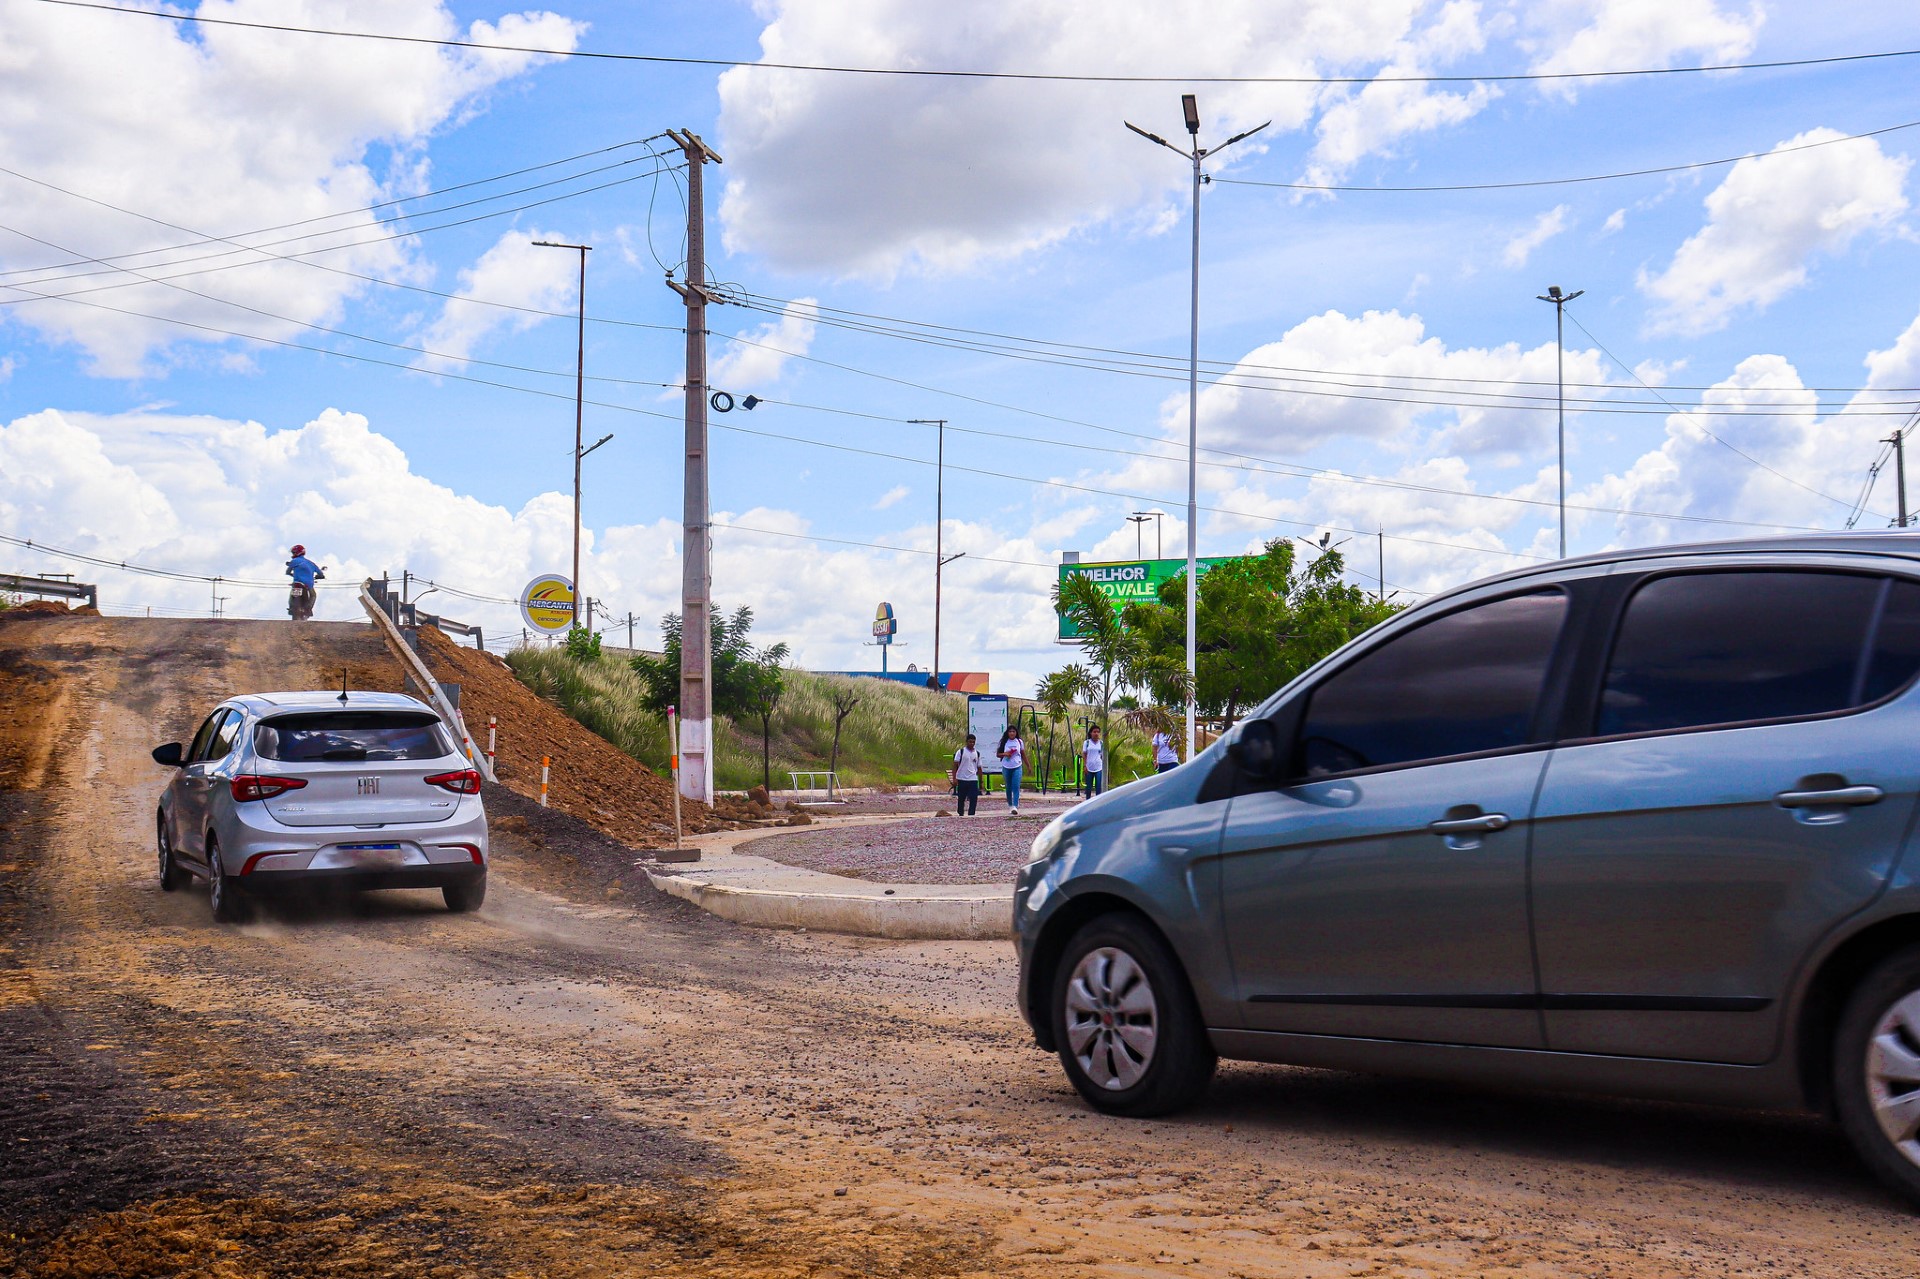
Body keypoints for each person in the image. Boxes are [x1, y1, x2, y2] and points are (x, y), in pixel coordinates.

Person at [285, 545, 322, 621]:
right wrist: (319, 576)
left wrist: (292, 574)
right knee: (313, 595)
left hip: (297, 583)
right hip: (308, 585)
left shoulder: (294, 561)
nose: (293, 554)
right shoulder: (311, 563)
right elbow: (320, 574)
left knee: (291, 597)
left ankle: (291, 608)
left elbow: (288, 572)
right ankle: (308, 609)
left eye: (294, 552)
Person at [949, 733, 983, 816]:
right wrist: (955, 778)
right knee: (961, 798)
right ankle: (960, 812)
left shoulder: (977, 754)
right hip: (962, 778)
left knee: (973, 797)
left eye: (973, 742)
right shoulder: (961, 752)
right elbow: (955, 765)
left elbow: (979, 768)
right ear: (966, 742)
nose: (971, 744)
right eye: (970, 742)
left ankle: (971, 814)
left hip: (973, 778)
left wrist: (981, 781)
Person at [997, 723, 1026, 817]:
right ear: (1007, 733)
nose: (1012, 733)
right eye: (1010, 731)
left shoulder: (1019, 742)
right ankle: (1010, 804)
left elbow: (1023, 753)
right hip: (1006, 766)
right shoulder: (1004, 742)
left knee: (1016, 785)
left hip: (1017, 765)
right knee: (1008, 787)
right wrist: (1005, 754)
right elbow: (998, 754)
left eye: (1013, 731)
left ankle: (1015, 805)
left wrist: (1028, 765)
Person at [1081, 725, 1106, 798]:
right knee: (1089, 786)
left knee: (1098, 786)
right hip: (1089, 767)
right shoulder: (1087, 742)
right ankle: (1088, 801)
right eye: (1094, 732)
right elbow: (1084, 754)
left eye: (1098, 732)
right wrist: (1085, 766)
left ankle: (1098, 801)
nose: (1096, 734)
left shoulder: (1101, 743)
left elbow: (1102, 755)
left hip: (1098, 767)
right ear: (1091, 733)